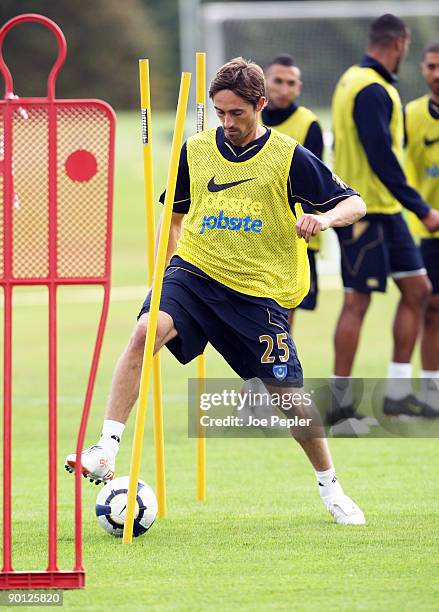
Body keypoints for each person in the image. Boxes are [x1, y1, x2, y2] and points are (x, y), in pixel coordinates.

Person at [66, 58, 367, 525]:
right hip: (194, 273)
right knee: (146, 330)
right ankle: (105, 448)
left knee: (287, 396)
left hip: (255, 292)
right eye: (220, 112)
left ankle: (331, 489)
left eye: (237, 114)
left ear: (260, 105)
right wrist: (165, 275)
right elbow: (176, 216)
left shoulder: (288, 155)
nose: (226, 123)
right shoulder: (197, 148)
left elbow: (355, 202)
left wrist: (322, 218)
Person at [330, 14, 439, 426]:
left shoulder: (352, 79)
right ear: (400, 42)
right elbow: (381, 158)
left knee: (418, 290)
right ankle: (340, 405)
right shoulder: (371, 89)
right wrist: (422, 207)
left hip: (386, 212)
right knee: (357, 301)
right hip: (364, 211)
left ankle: (396, 393)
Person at [261, 53, 323, 319]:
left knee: (285, 313)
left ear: (298, 87)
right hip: (253, 230)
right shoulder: (247, 119)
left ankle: (281, 361)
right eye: (278, 81)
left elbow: (315, 185)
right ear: (264, 81)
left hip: (293, 235)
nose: (284, 89)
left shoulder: (308, 124)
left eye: (291, 83)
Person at [405, 42, 439, 412]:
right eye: (431, 66)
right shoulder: (411, 114)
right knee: (432, 308)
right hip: (428, 231)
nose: (437, 73)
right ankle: (432, 393)